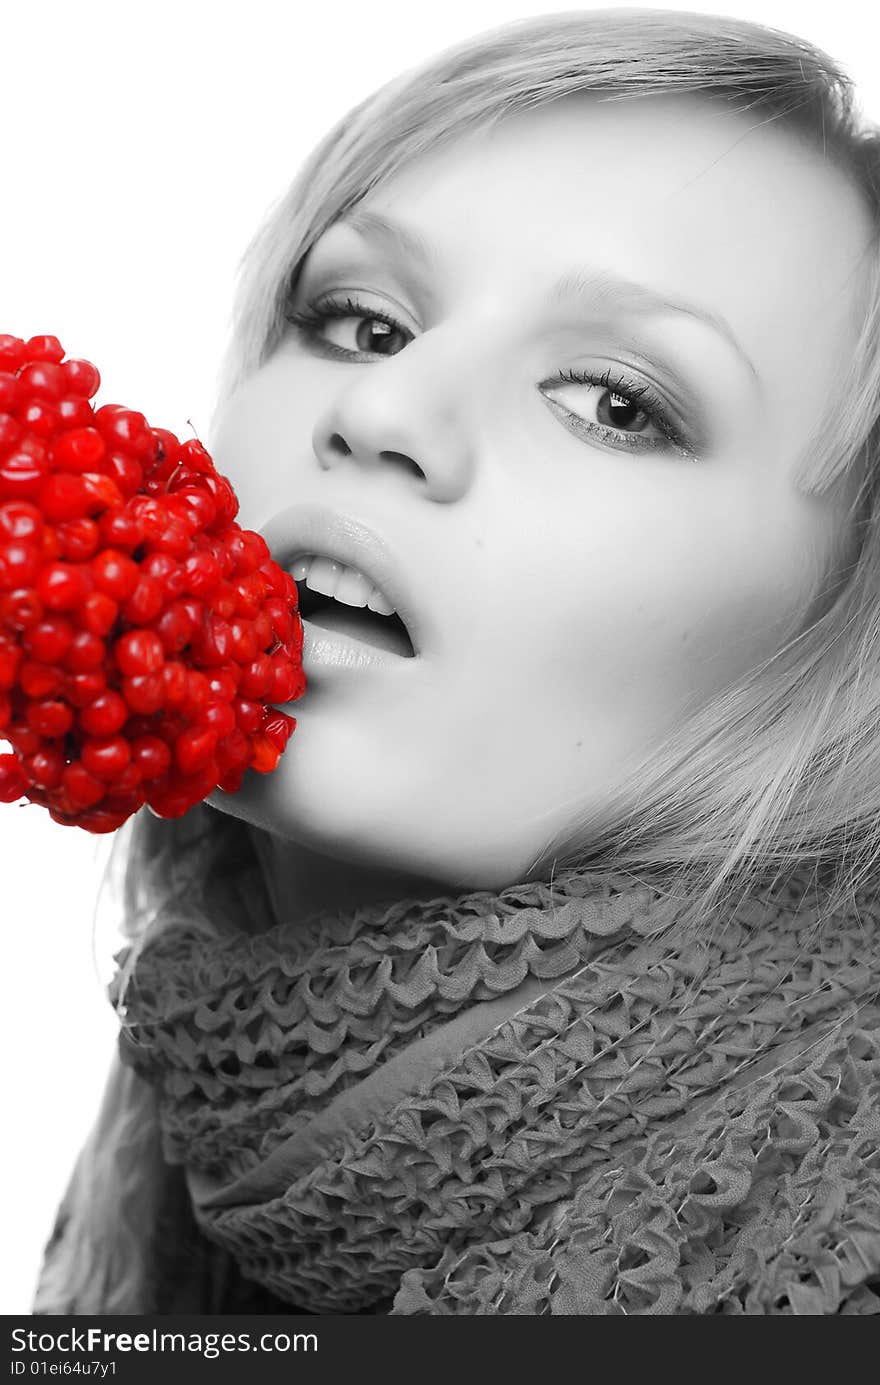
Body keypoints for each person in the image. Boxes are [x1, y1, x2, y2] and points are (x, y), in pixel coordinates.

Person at [33, 7, 880, 1315]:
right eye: (361, 320)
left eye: (615, 403)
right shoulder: (189, 1134)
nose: (384, 411)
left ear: (836, 645)